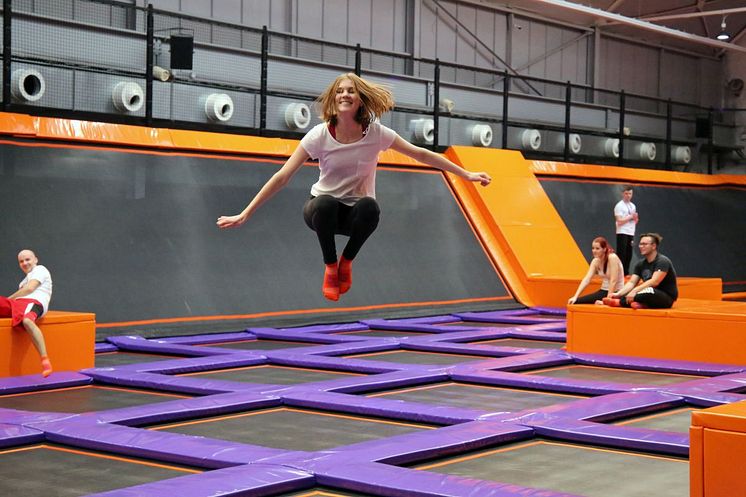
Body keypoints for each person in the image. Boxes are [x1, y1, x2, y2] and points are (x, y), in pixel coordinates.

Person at [217, 73, 491, 301]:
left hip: (355, 216)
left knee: (371, 206)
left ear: (360, 99)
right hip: (321, 213)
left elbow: (421, 154)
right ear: (333, 98)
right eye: (339, 91)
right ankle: (330, 267)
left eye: (350, 91)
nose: (344, 95)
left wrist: (466, 174)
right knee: (324, 202)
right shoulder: (319, 135)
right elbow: (282, 176)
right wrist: (246, 213)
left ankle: (347, 262)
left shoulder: (376, 134)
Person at [0, 249, 53, 377]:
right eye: (21, 261)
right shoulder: (23, 281)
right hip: (17, 304)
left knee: (27, 320)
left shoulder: (40, 269)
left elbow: (30, 289)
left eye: (27, 259)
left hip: (33, 302)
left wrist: (8, 300)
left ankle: (45, 359)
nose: (24, 263)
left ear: (35, 259)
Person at [603, 233, 678, 309]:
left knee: (647, 291)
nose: (641, 247)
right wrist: (618, 294)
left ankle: (620, 302)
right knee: (635, 292)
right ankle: (643, 305)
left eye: (644, 244)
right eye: (640, 244)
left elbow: (655, 281)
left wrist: (635, 291)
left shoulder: (662, 261)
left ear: (653, 246)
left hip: (665, 297)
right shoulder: (640, 264)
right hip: (647, 293)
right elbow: (632, 283)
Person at [567, 236, 623, 305]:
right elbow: (587, 279)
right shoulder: (595, 261)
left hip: (616, 292)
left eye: (597, 249)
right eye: (593, 248)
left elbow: (613, 280)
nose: (594, 251)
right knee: (576, 302)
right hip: (603, 291)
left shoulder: (612, 257)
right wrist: (575, 296)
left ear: (604, 249)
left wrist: (607, 300)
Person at [614, 185, 638, 275]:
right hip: (622, 231)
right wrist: (631, 217)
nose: (628, 195)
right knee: (622, 253)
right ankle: (619, 273)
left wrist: (635, 219)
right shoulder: (619, 206)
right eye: (626, 193)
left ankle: (626, 272)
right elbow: (619, 221)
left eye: (630, 193)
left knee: (629, 253)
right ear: (622, 194)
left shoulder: (632, 206)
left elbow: (634, 219)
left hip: (630, 231)